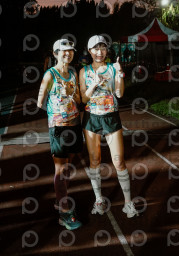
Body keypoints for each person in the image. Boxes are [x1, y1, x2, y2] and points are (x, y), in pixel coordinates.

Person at [80, 35, 138, 218]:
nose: (100, 52)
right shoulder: (84, 71)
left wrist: (119, 73)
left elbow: (119, 94)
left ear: (107, 50)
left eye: (103, 48)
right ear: (90, 51)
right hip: (91, 119)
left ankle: (128, 203)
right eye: (96, 49)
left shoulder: (113, 67)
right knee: (94, 160)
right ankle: (99, 200)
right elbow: (83, 99)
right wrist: (94, 84)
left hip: (111, 117)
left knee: (119, 161)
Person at [37, 39, 84, 230]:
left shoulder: (73, 72)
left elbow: (79, 99)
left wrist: (70, 93)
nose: (68, 53)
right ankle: (64, 212)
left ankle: (59, 199)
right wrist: (57, 105)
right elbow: (40, 102)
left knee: (68, 166)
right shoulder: (50, 74)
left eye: (70, 50)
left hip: (75, 124)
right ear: (55, 53)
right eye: (63, 51)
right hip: (59, 127)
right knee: (61, 169)